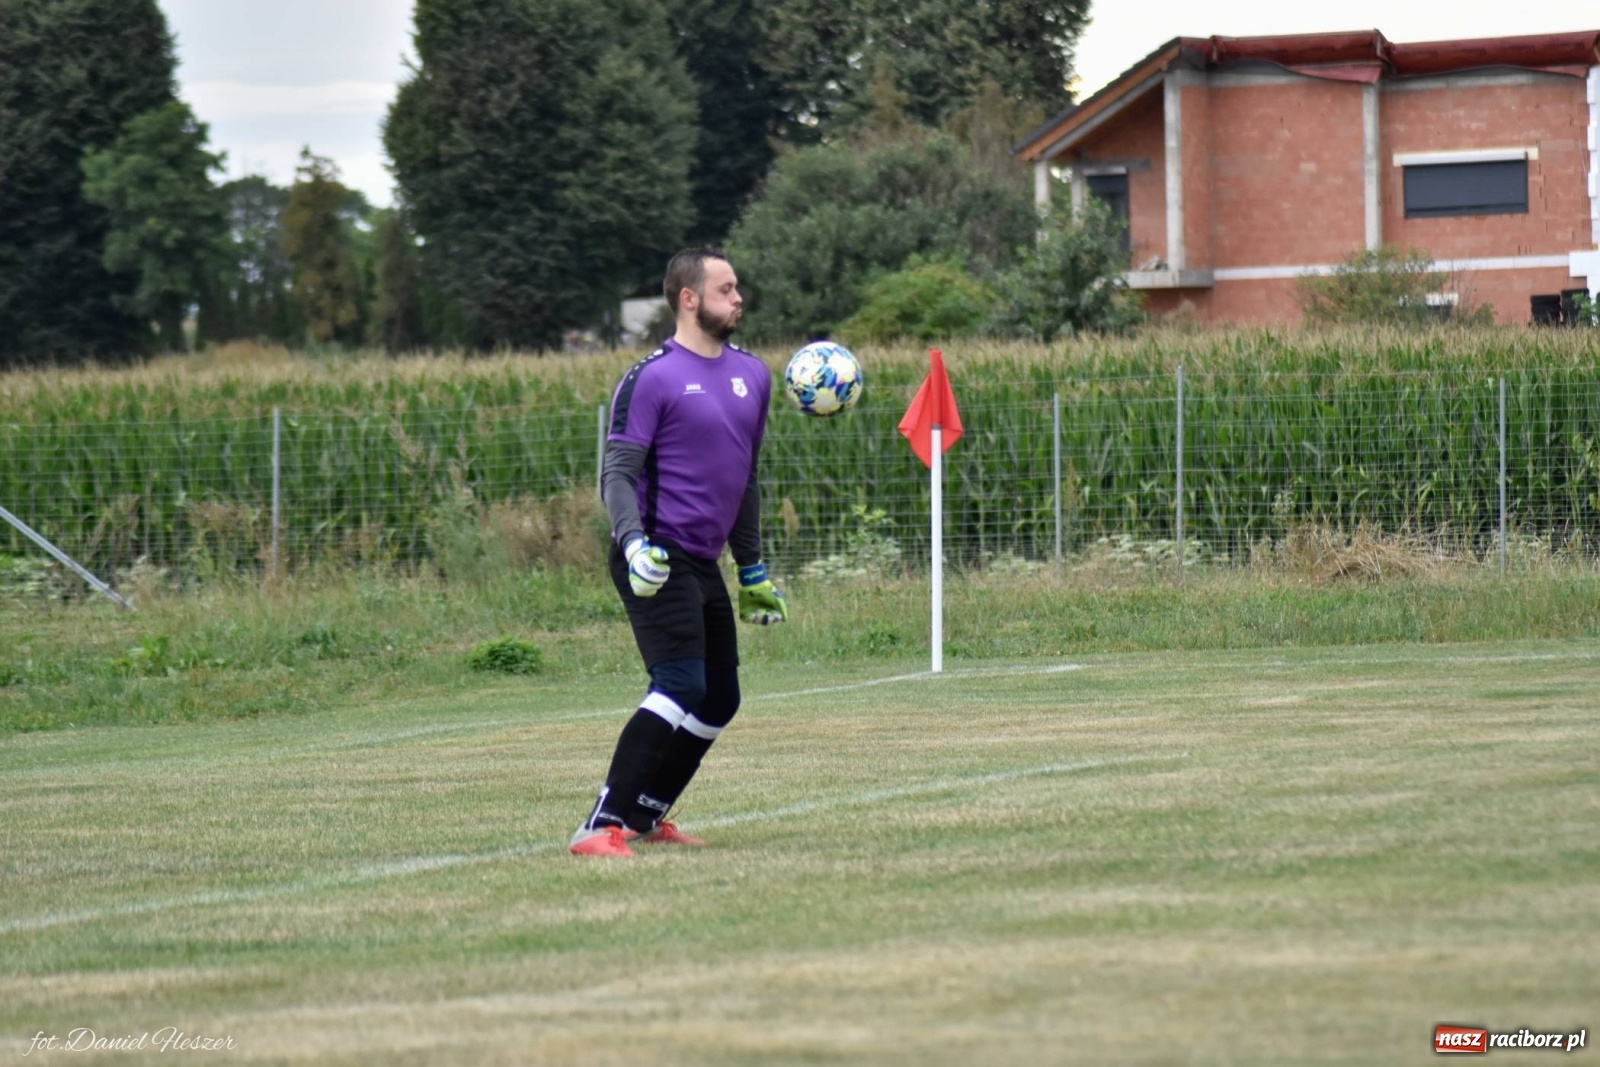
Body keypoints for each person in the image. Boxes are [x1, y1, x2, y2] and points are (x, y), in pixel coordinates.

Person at [569, 247, 788, 858]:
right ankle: (600, 825)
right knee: (679, 681)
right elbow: (616, 473)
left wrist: (751, 569)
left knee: (721, 697)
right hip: (655, 554)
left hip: (703, 559)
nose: (737, 297)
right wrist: (631, 541)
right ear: (688, 298)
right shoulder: (652, 377)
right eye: (725, 289)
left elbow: (743, 479)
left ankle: (645, 813)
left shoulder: (754, 375)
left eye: (737, 287)